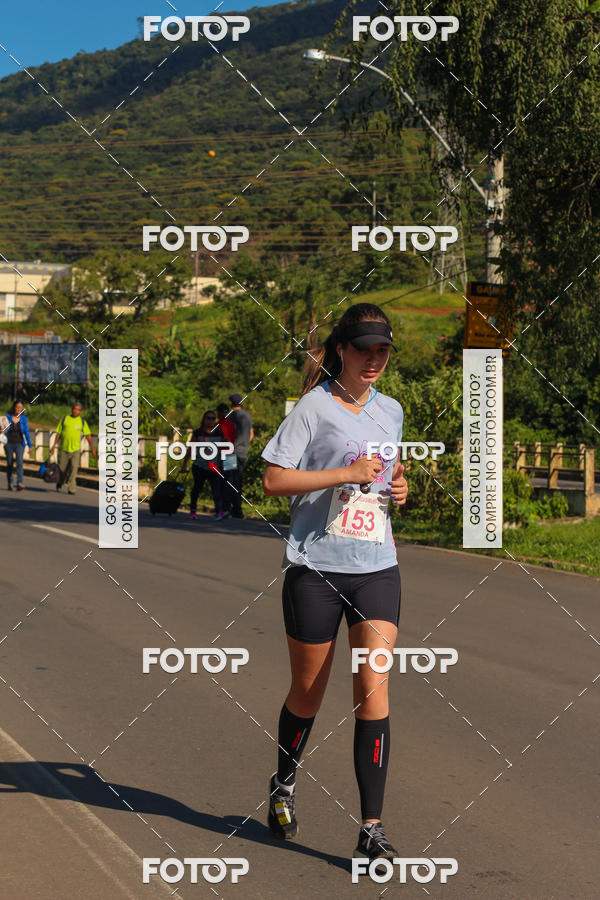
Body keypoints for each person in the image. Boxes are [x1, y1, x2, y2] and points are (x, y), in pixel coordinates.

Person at [261, 303, 408, 869]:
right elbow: (275, 479)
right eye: (365, 348)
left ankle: (371, 830)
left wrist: (399, 488)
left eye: (384, 350)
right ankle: (283, 783)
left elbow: (391, 476)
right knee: (309, 691)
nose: (375, 358)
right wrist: (345, 474)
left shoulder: (391, 410)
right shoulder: (312, 408)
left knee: (373, 684)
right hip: (315, 568)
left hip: (375, 564)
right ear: (341, 350)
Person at [182, 410, 228, 520]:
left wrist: (224, 462)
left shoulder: (219, 432)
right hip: (199, 466)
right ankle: (193, 510)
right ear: (204, 419)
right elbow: (190, 448)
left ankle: (219, 511)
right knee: (197, 489)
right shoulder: (198, 433)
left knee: (216, 490)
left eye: (213, 418)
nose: (211, 420)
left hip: (213, 467)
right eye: (208, 418)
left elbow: (225, 448)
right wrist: (184, 463)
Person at [49, 402, 96, 495]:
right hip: (64, 449)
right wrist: (54, 446)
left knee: (74, 470)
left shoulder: (82, 422)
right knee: (62, 470)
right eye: (74, 409)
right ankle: (60, 483)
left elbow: (88, 436)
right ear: (72, 409)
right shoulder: (65, 419)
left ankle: (72, 489)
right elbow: (58, 433)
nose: (75, 411)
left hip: (75, 450)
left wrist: (93, 449)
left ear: (80, 412)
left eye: (78, 410)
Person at [228, 392, 254, 519]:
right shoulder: (247, 416)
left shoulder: (230, 417)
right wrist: (245, 444)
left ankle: (229, 508)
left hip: (230, 452)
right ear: (241, 403)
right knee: (238, 480)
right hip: (243, 452)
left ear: (230, 403)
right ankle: (238, 509)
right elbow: (251, 434)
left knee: (228, 480)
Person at [4, 401, 32, 491]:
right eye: (17, 407)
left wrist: (30, 445)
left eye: (20, 408)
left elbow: (26, 432)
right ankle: (10, 483)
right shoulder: (7, 417)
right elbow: (2, 428)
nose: (18, 409)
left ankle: (19, 482)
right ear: (14, 408)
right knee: (9, 463)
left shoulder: (24, 419)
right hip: (8, 443)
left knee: (19, 463)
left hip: (20, 444)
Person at [216, 402, 237, 516]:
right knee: (229, 482)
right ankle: (227, 508)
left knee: (220, 482)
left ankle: (222, 508)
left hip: (222, 454)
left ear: (218, 413)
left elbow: (224, 439)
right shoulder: (231, 424)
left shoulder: (219, 424)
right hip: (231, 454)